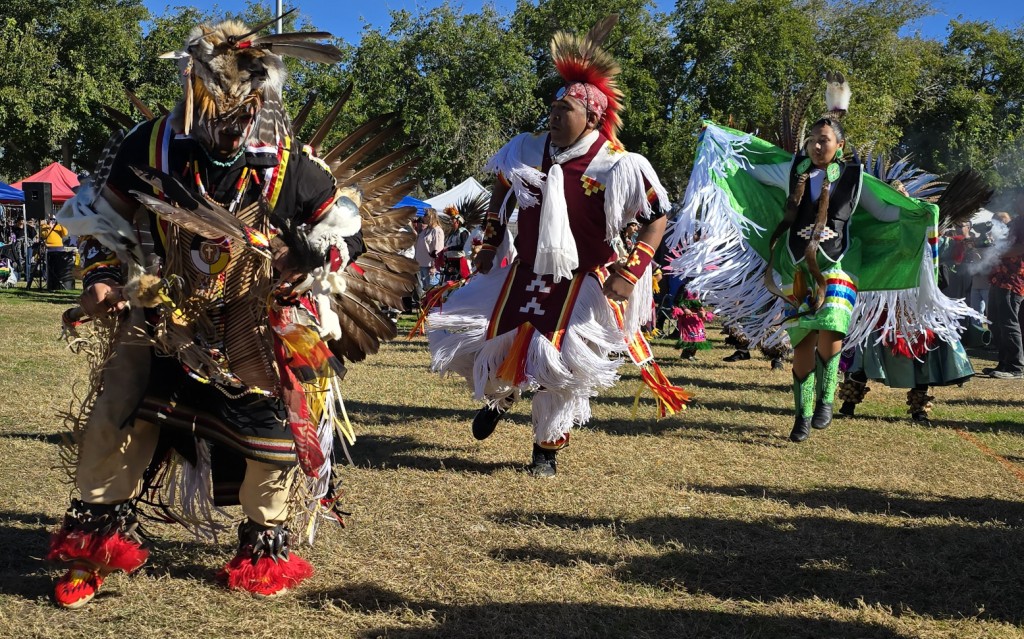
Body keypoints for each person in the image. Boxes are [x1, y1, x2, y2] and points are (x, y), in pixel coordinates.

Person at [48, 16, 413, 608]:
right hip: (167, 307)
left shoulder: (289, 162)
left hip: (259, 316)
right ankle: (94, 547)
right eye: (212, 109)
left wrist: (306, 258)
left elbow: (347, 232)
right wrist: (104, 278)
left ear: (259, 99)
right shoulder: (153, 145)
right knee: (119, 412)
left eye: (239, 111)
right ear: (192, 94)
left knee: (273, 437)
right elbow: (101, 222)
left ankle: (261, 550)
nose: (225, 125)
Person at [428, 16, 686, 476]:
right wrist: (489, 243)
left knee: (561, 367)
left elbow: (656, 217)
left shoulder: (619, 165)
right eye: (553, 104)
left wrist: (630, 274)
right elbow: (501, 194)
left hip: (584, 278)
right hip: (524, 270)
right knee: (478, 338)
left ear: (592, 116)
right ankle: (502, 396)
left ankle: (544, 451)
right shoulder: (526, 148)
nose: (554, 112)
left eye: (565, 107)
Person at [670, 73, 979, 443]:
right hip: (795, 264)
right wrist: (717, 141)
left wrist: (920, 213)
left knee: (831, 327)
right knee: (801, 342)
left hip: (839, 264)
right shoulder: (791, 171)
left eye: (825, 140)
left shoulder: (854, 178)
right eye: (813, 140)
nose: (818, 146)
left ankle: (826, 400)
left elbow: (884, 213)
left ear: (839, 144)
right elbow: (748, 170)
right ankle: (801, 415)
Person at [984, 191, 1024, 378]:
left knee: (1008, 322)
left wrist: (998, 252)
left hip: (1013, 280)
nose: (1017, 200)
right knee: (994, 321)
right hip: (999, 277)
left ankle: (1016, 367)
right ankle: (1004, 364)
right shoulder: (1016, 222)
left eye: (1020, 197)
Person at [414, 209, 444, 296]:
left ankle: (432, 309)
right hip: (422, 264)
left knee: (432, 291)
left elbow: (438, 249)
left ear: (431, 216)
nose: (423, 217)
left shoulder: (437, 231)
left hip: (430, 266)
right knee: (426, 290)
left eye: (425, 215)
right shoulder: (426, 230)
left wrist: (434, 266)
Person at [440, 209, 470, 282]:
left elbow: (464, 245)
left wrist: (449, 248)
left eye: (452, 219)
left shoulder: (463, 232)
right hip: (450, 262)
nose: (450, 221)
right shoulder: (452, 234)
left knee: (459, 283)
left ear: (458, 221)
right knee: (447, 283)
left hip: (460, 262)